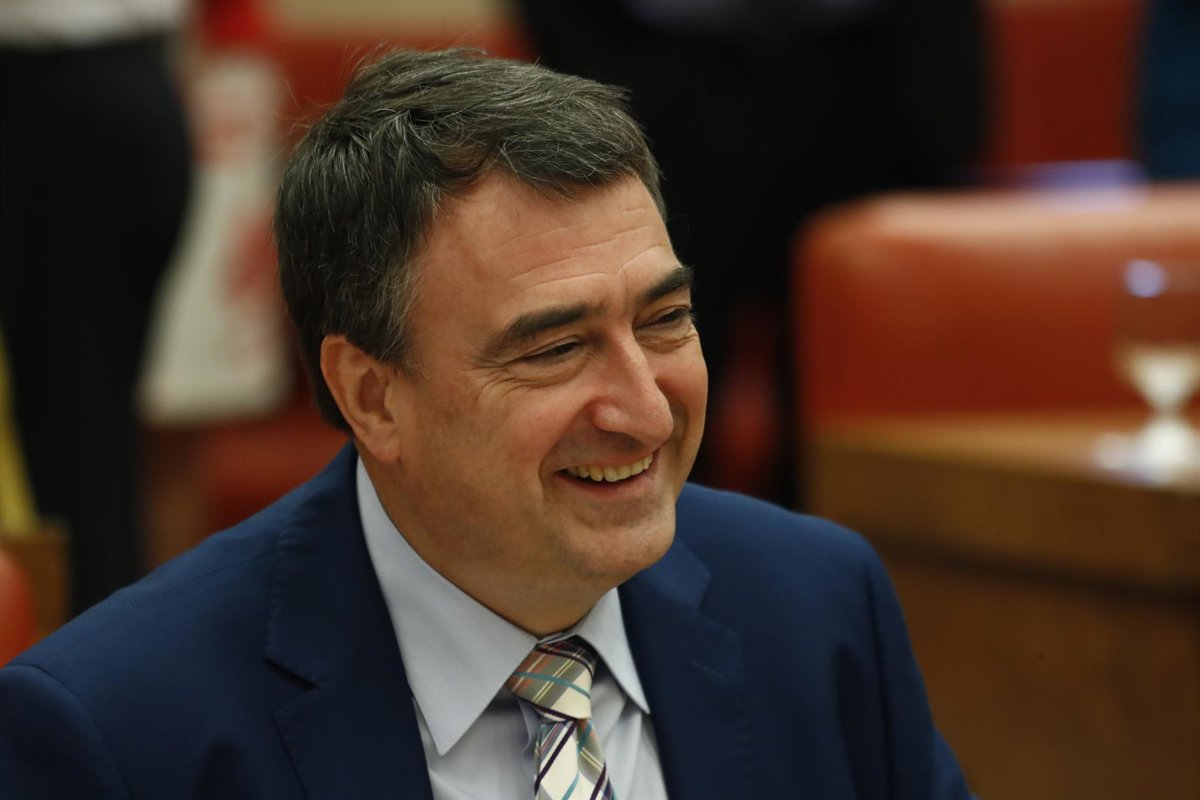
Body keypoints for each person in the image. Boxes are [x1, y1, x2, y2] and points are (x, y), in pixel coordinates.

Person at [0, 49, 970, 798]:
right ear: (372, 396)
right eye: (556, 349)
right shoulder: (120, 733)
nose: (644, 410)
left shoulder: (819, 610)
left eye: (665, 319)